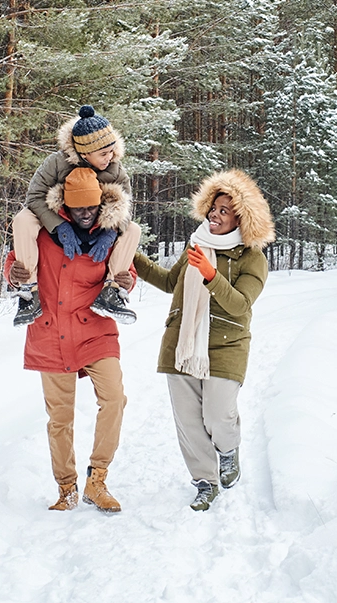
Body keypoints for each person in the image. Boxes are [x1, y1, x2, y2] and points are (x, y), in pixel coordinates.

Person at [134, 169, 274, 512]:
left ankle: (228, 450)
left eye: (225, 210)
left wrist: (211, 276)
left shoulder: (252, 258)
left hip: (227, 345)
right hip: (181, 342)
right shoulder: (197, 244)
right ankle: (204, 481)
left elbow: (241, 304)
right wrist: (130, 257)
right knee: (188, 421)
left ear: (243, 218)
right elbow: (170, 282)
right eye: (213, 208)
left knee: (217, 415)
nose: (215, 214)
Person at [6, 167, 137, 513]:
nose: (84, 214)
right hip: (50, 331)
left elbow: (128, 270)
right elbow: (14, 262)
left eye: (90, 207)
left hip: (94, 328)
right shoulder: (45, 230)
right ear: (64, 203)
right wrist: (13, 273)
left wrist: (125, 281)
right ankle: (66, 488)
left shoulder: (111, 233)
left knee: (115, 398)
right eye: (77, 207)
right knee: (60, 417)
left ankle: (98, 479)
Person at [10, 105, 141, 326]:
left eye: (111, 151)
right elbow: (34, 196)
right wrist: (59, 225)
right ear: (84, 152)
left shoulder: (116, 170)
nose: (109, 157)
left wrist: (110, 232)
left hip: (98, 222)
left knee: (133, 229)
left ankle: (112, 291)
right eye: (103, 153)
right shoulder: (56, 163)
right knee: (23, 219)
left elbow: (126, 207)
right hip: (62, 216)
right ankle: (28, 291)